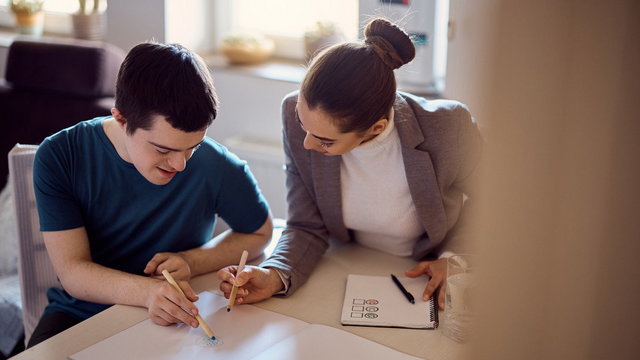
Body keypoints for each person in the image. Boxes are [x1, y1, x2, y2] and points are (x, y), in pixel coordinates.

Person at [217, 18, 483, 309]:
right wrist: (274, 274)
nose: (307, 145)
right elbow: (306, 225)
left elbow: (499, 202)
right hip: (343, 268)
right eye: (301, 122)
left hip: (421, 281)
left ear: (377, 128)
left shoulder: (447, 127)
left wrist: (454, 260)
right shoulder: (296, 119)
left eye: (325, 141)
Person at [29, 42, 273, 347]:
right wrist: (146, 292)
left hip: (182, 314)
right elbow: (73, 272)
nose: (180, 164)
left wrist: (191, 262)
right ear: (121, 119)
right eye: (163, 149)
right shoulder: (60, 154)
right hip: (81, 314)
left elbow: (259, 232)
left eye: (192, 148)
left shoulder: (217, 164)